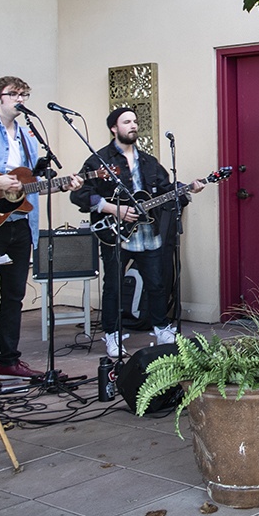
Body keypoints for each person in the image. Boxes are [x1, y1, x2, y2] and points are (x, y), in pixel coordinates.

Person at [0, 77, 81, 386]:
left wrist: (61, 184)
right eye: (13, 94)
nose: (20, 98)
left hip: (19, 225)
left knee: (14, 296)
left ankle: (9, 361)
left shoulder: (30, 137)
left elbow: (26, 189)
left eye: (24, 94)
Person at [72, 107, 208, 358]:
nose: (133, 125)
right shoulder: (99, 160)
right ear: (114, 128)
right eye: (127, 121)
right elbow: (78, 194)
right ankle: (112, 333)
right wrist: (113, 209)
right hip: (114, 232)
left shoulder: (148, 161)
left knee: (157, 283)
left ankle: (161, 328)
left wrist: (188, 188)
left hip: (147, 232)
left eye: (135, 121)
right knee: (113, 285)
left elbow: (165, 189)